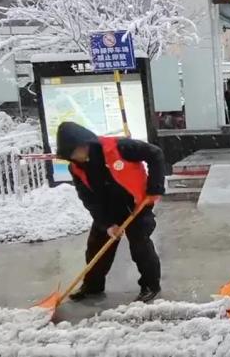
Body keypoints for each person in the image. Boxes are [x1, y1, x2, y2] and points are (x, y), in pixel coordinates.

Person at [55, 122, 165, 303]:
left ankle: (150, 285)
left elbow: (155, 153)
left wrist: (155, 187)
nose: (72, 159)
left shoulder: (120, 147)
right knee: (96, 247)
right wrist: (106, 224)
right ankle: (92, 286)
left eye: (73, 154)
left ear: (84, 145)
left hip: (135, 204)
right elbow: (88, 199)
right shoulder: (76, 167)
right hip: (108, 210)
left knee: (140, 245)